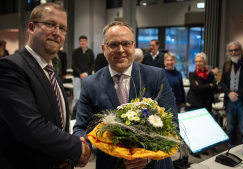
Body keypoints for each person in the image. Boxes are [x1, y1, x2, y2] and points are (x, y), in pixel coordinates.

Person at [73, 21, 177, 169]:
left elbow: (173, 125)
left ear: (133, 46)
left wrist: (146, 156)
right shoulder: (91, 84)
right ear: (104, 48)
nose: (120, 50)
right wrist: (83, 147)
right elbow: (81, 126)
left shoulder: (155, 76)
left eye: (126, 44)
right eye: (113, 45)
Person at [0, 3, 90, 169]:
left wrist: (66, 157)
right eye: (50, 24)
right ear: (31, 27)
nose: (57, 33)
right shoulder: (9, 67)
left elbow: (59, 123)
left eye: (62, 28)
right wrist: (76, 148)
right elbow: (30, 127)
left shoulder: (52, 74)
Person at [220, 41, 243, 148]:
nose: (233, 52)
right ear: (228, 52)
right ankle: (232, 152)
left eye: (236, 50)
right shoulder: (227, 64)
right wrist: (229, 93)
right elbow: (222, 82)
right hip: (230, 103)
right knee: (230, 130)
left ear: (241, 50)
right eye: (231, 50)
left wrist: (237, 94)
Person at [72, 35, 94, 117]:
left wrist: (86, 73)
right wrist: (80, 73)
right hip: (77, 77)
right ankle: (74, 114)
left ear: (86, 42)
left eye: (84, 41)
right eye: (81, 41)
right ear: (79, 42)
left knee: (87, 95)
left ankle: (85, 113)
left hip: (87, 77)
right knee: (76, 96)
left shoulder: (90, 52)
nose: (83, 42)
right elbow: (73, 65)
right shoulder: (75, 52)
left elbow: (92, 64)